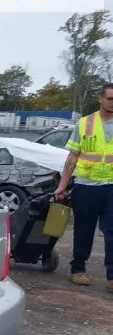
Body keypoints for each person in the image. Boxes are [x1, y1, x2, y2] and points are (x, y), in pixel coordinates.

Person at [54, 82, 113, 291]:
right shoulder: (85, 123)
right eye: (110, 98)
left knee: (112, 232)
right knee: (84, 230)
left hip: (111, 187)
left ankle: (111, 276)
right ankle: (78, 269)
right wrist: (62, 185)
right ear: (100, 99)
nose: (112, 102)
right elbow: (73, 156)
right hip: (86, 187)